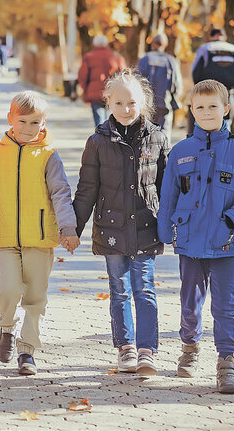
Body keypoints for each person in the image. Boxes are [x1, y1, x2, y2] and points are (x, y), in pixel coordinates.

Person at [158, 80, 234, 394]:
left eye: (213, 106)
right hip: (189, 242)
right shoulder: (180, 152)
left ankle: (227, 361)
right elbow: (169, 194)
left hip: (225, 242)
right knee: (190, 301)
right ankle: (189, 346)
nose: (206, 112)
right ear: (191, 110)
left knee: (225, 304)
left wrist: (232, 220)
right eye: (200, 107)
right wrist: (165, 230)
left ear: (226, 109)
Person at [0, 91, 79, 375]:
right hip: (6, 237)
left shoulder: (49, 156)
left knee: (35, 297)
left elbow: (61, 193)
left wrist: (68, 228)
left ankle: (27, 350)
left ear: (44, 122)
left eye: (35, 122)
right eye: (23, 121)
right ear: (10, 119)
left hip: (40, 238)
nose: (29, 128)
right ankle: (6, 327)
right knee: (10, 289)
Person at [72, 69, 170, 376]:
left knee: (145, 289)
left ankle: (147, 350)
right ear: (108, 104)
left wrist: (174, 227)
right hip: (111, 228)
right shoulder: (97, 142)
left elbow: (168, 189)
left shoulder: (158, 139)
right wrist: (73, 229)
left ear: (143, 102)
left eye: (132, 103)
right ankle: (125, 347)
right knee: (120, 290)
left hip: (146, 227)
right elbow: (87, 189)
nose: (126, 109)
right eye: (118, 103)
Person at [189, 28, 234, 134]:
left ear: (211, 37)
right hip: (227, 91)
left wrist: (199, 87)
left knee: (205, 117)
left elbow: (195, 71)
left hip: (206, 91)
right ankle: (224, 141)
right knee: (226, 117)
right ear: (224, 37)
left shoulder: (205, 49)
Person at [137, 32, 183, 139]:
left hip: (147, 104)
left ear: (153, 44)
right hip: (165, 103)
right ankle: (163, 155)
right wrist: (175, 97)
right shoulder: (171, 61)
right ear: (165, 45)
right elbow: (177, 84)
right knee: (164, 134)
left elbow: (138, 81)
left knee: (146, 134)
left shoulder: (145, 59)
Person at [78, 35, 127, 127]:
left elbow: (82, 76)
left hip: (95, 94)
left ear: (94, 44)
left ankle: (100, 138)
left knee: (99, 121)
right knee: (112, 120)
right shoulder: (117, 57)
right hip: (112, 93)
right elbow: (125, 75)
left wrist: (85, 90)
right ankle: (110, 139)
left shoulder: (88, 57)